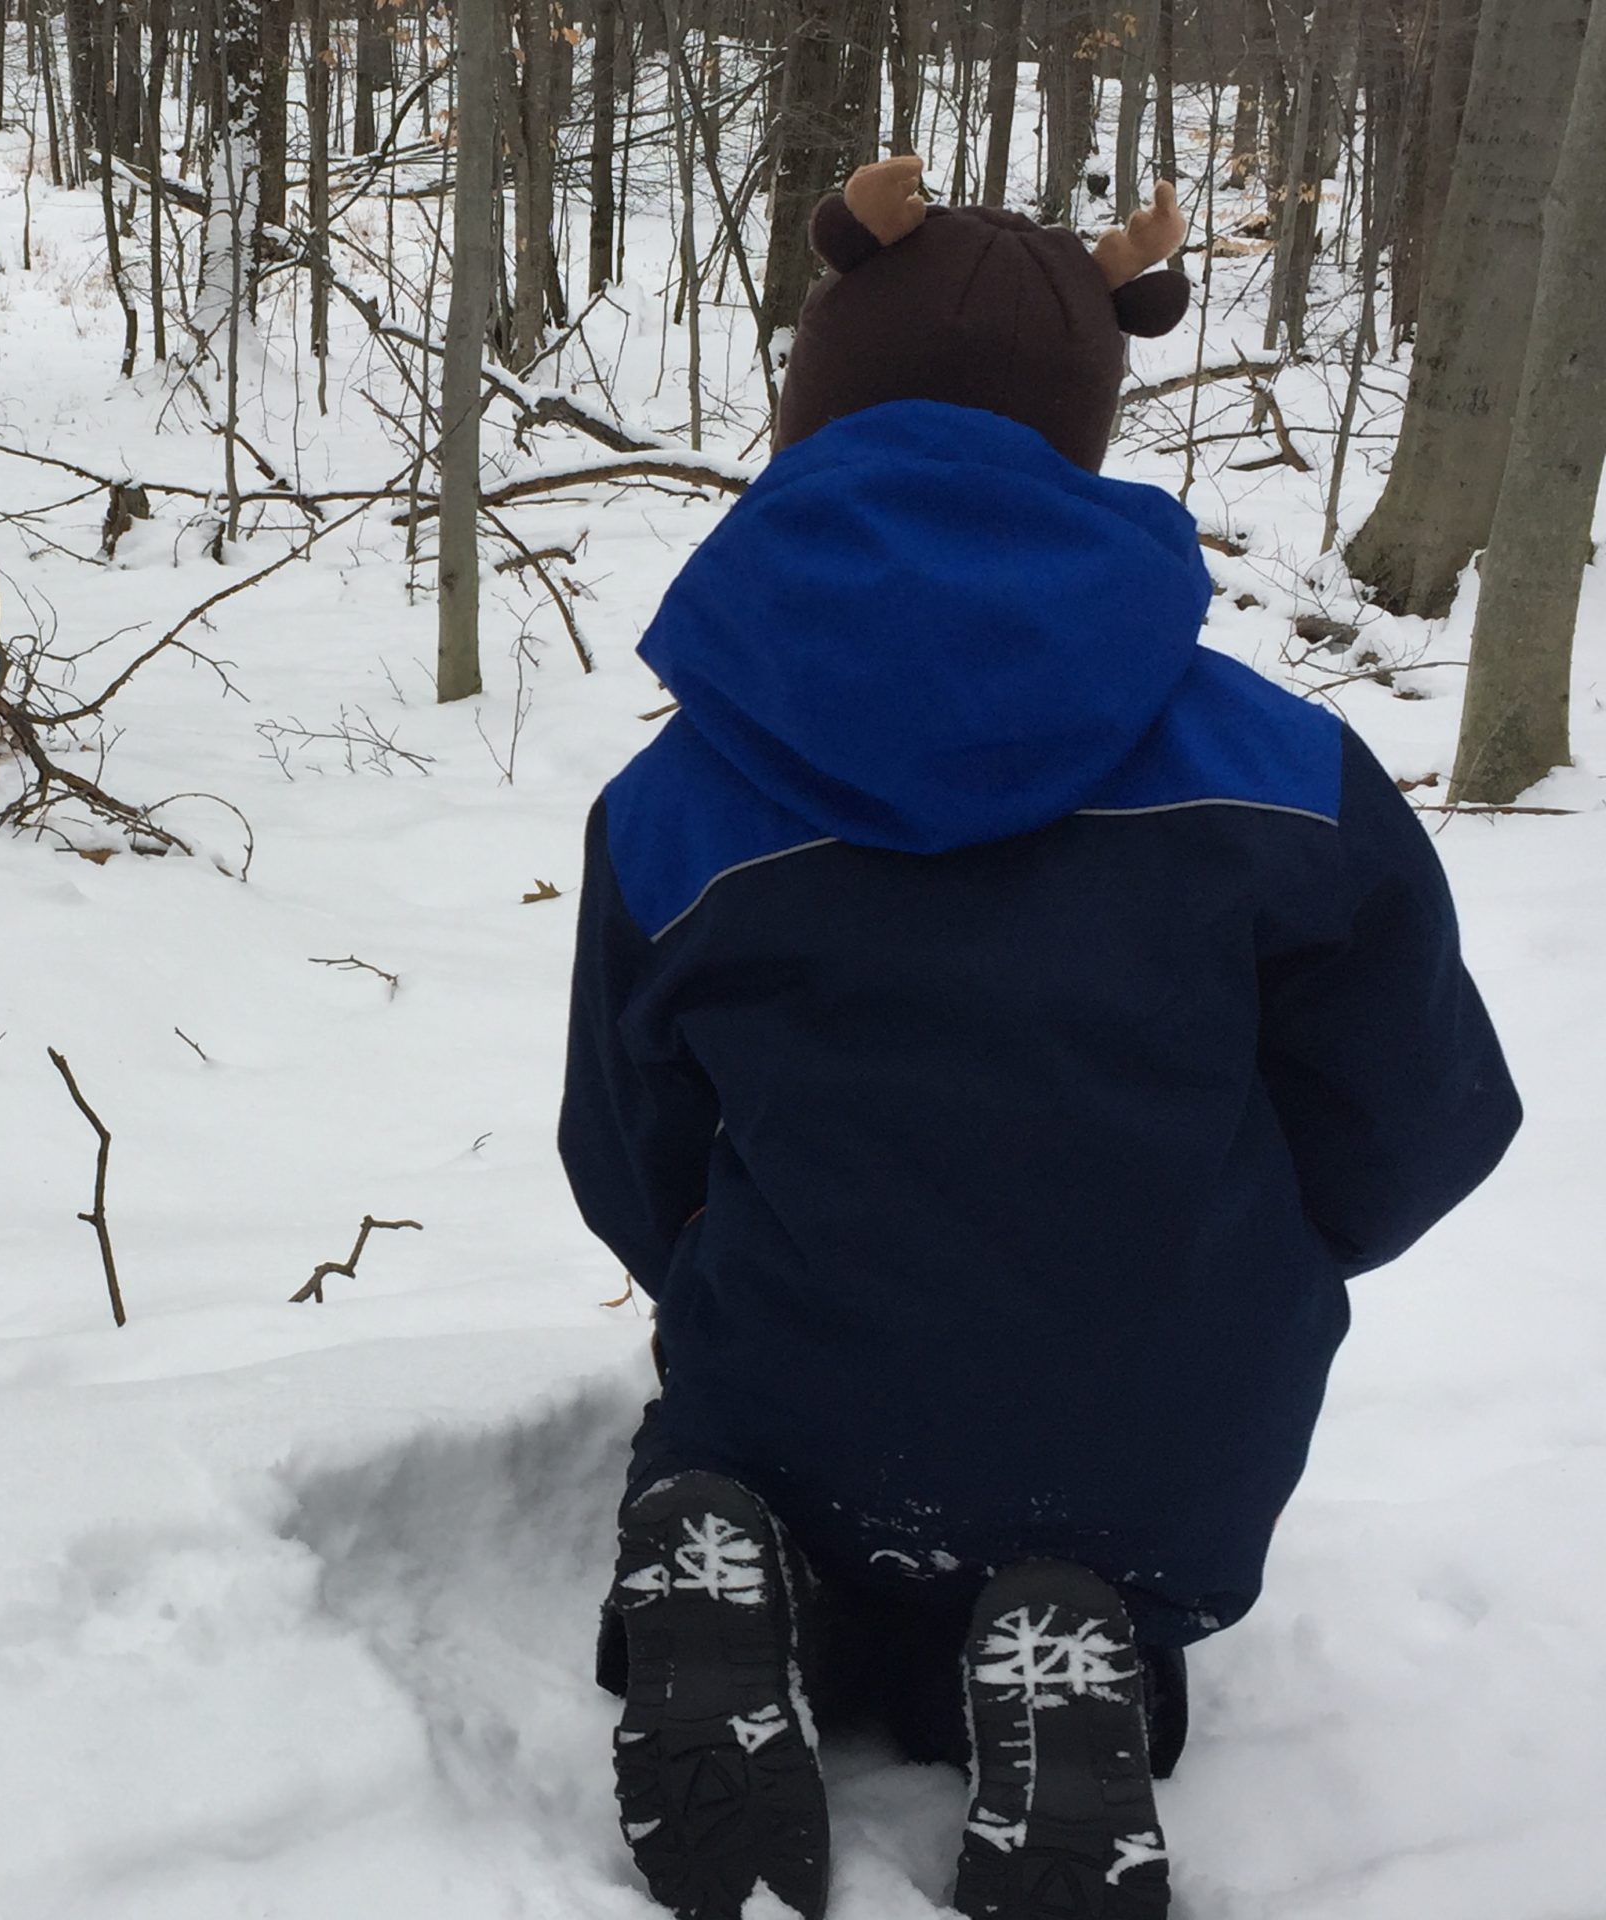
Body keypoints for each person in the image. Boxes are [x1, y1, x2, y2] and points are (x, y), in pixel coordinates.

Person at [557, 158, 1521, 1920]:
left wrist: (717, 1262)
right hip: (1171, 1424)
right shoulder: (1285, 771)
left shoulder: (670, 805)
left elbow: (625, 1152)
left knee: (749, 1447)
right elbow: (1422, 1111)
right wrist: (1256, 1246)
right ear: (1084, 421)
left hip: (801, 1377)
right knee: (1092, 1547)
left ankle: (734, 1551)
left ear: (817, 405)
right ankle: (1085, 1660)